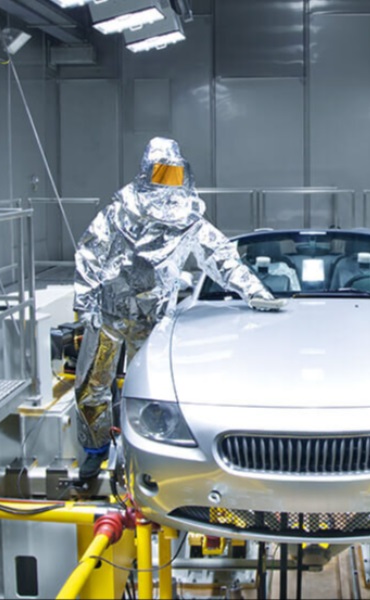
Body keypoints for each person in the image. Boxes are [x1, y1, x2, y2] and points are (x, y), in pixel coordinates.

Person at [73, 137, 283, 480]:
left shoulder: (188, 219)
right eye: (162, 174)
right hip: (108, 314)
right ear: (147, 173)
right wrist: (85, 304)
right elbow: (90, 252)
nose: (167, 182)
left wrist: (256, 293)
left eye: (173, 175)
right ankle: (95, 451)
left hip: (152, 321)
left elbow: (222, 258)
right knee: (92, 386)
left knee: (150, 392)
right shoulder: (119, 211)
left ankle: (144, 455)